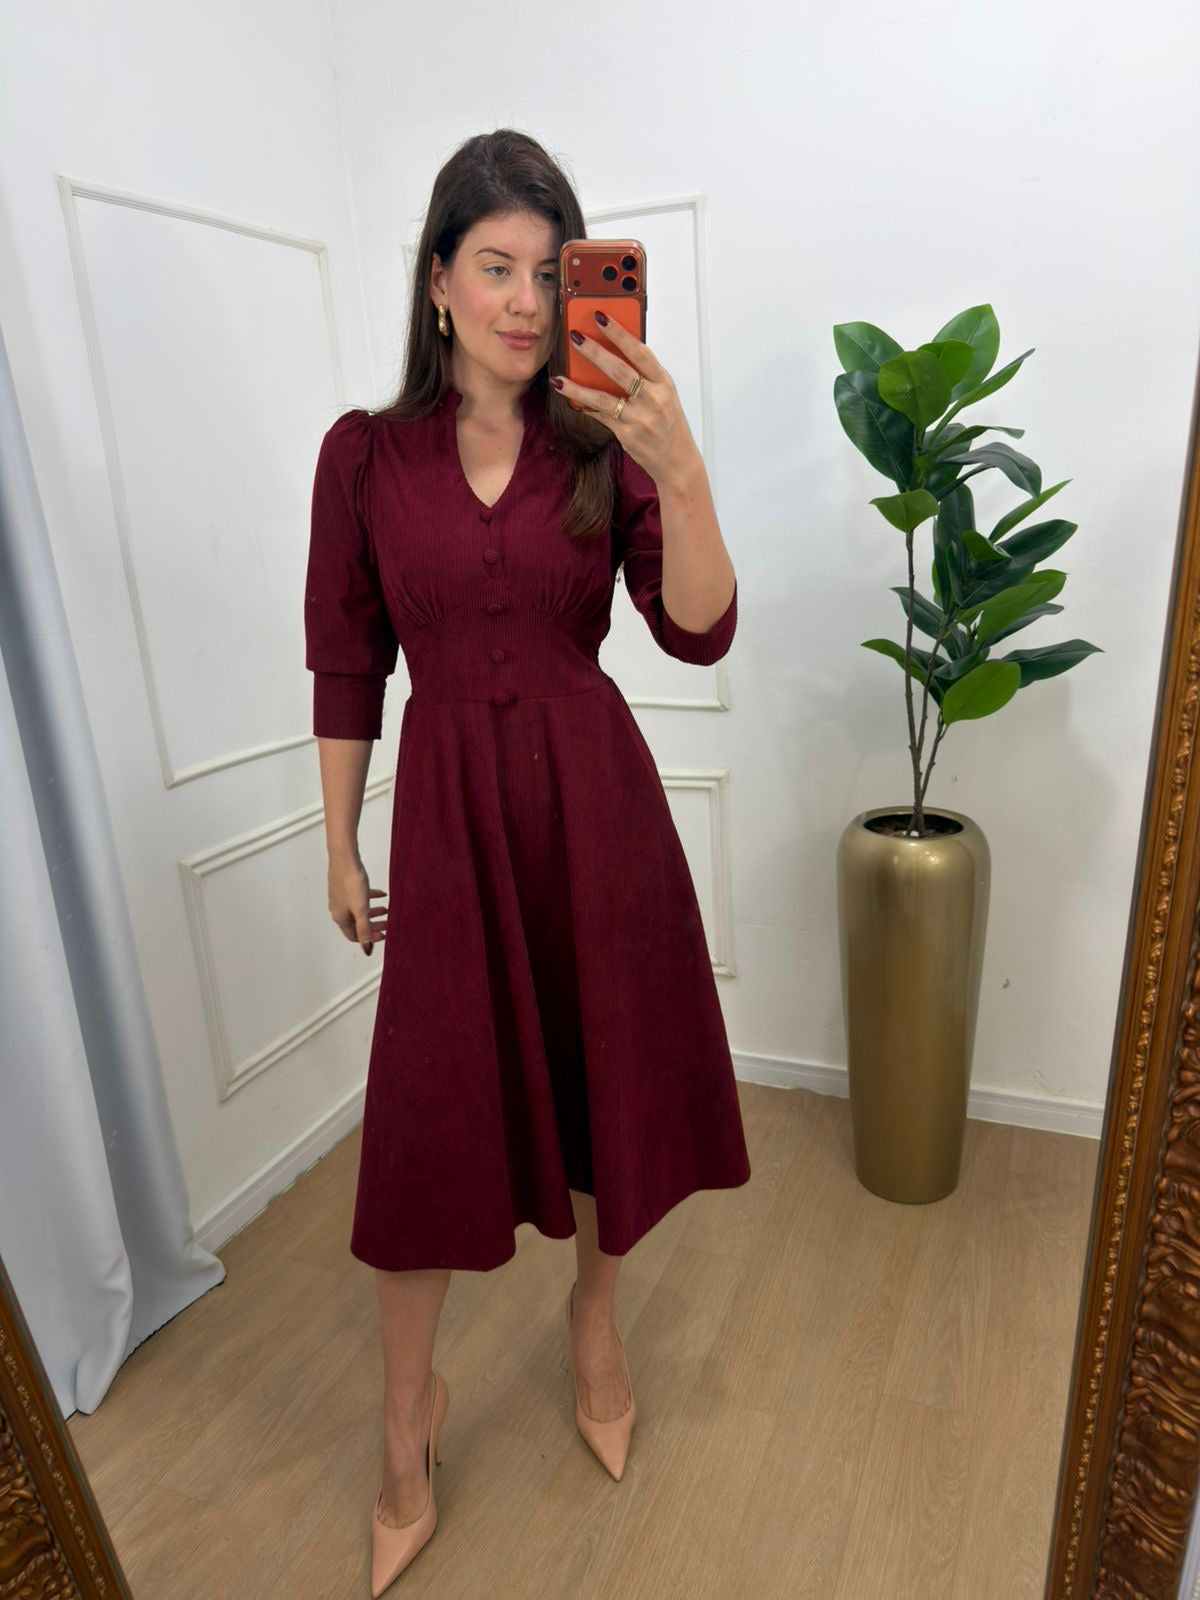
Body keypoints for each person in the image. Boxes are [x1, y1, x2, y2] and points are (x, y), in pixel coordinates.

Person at [303, 129, 751, 1596]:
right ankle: (404, 1419)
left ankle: (593, 1321)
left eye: (552, 275)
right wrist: (337, 839)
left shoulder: (600, 446)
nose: (525, 300)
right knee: (429, 1121)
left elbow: (698, 628)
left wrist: (679, 464)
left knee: (605, 1081)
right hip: (446, 825)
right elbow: (347, 659)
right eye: (494, 267)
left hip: (595, 812)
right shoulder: (365, 457)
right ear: (437, 281)